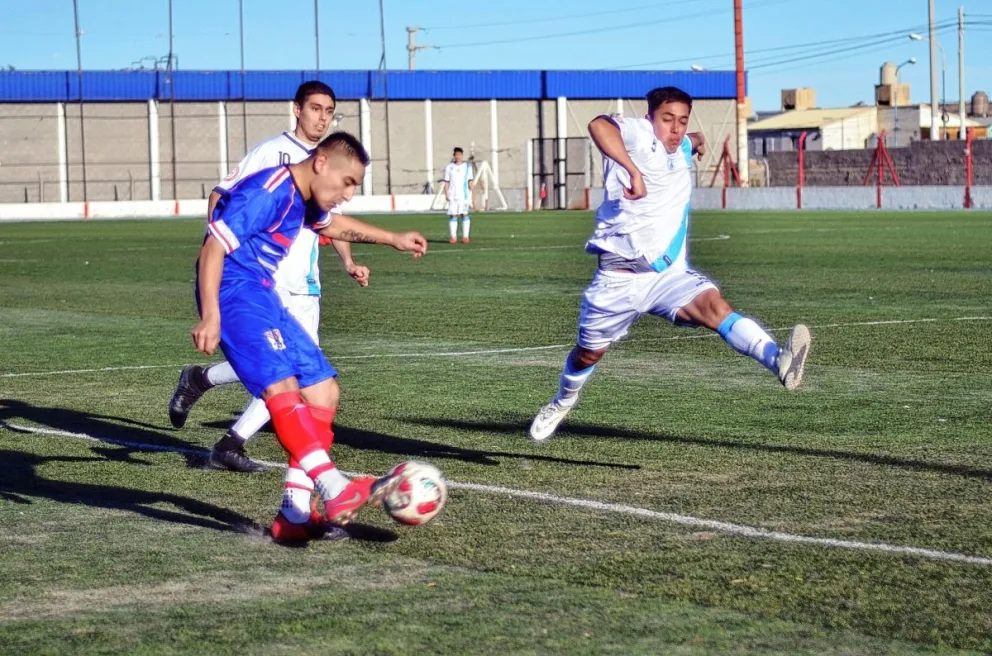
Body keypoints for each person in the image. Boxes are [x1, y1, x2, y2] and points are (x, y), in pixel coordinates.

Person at [528, 86, 811, 442]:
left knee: (715, 306)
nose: (675, 129)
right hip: (618, 279)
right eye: (667, 120)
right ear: (650, 117)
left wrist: (696, 139)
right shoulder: (637, 134)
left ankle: (779, 362)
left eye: (682, 121)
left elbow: (692, 139)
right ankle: (562, 401)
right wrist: (633, 171)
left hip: (667, 275)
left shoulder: (682, 144)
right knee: (588, 354)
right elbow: (599, 125)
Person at [193, 131, 427, 541]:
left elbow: (333, 225)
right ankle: (335, 489)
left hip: (262, 294)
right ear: (320, 163)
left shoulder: (304, 198)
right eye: (348, 182)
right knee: (281, 387)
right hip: (234, 295)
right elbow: (213, 246)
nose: (348, 193)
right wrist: (211, 313)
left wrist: (392, 239)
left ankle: (295, 515)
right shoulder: (270, 190)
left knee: (324, 393)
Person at [169, 81, 368, 474]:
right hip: (262, 283)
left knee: (299, 373)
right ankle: (235, 442)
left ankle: (203, 384)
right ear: (296, 109)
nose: (322, 117)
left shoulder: (331, 163)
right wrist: (222, 246)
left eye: (329, 111)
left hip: (305, 282)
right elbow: (222, 194)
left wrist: (348, 260)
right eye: (315, 109)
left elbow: (328, 224)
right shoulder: (271, 154)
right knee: (283, 373)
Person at [442, 147, 474, 244]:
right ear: (454, 155)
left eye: (460, 155)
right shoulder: (449, 167)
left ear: (462, 155)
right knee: (453, 215)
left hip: (463, 195)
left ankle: (465, 237)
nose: (458, 156)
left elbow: (470, 180)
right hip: (453, 194)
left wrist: (471, 187)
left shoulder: (467, 166)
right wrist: (446, 193)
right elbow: (446, 182)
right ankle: (453, 237)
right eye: (456, 155)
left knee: (465, 214)